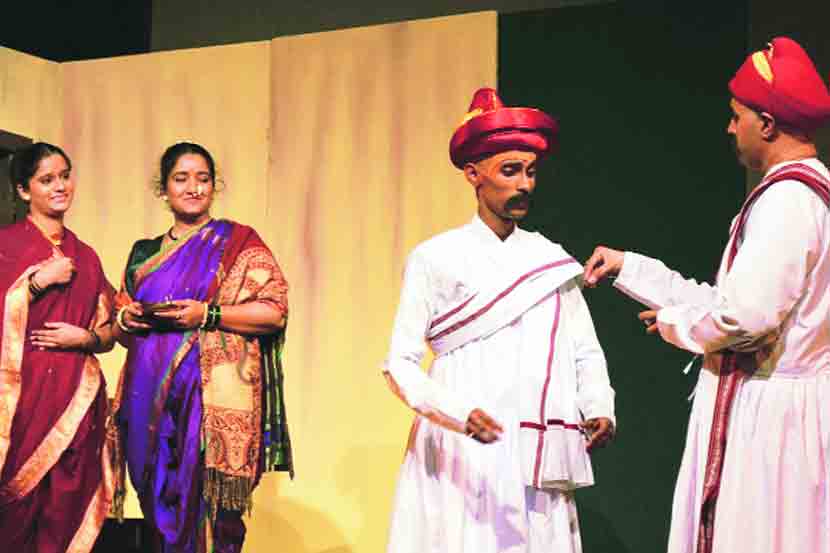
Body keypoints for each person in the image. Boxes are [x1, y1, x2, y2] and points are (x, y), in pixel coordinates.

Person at [583, 37, 830, 553]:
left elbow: (743, 319)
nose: (730, 128)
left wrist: (674, 325)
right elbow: (730, 302)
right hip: (784, 405)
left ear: (767, 123)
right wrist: (633, 269)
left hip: (773, 417)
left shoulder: (788, 200)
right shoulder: (807, 193)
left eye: (737, 116)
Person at [383, 88, 616, 553]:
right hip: (463, 444)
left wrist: (598, 406)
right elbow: (400, 364)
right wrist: (457, 413)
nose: (524, 184)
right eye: (510, 171)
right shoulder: (436, 257)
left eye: (531, 172)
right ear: (474, 174)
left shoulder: (550, 260)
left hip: (536, 441)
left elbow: (584, 350)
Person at [110, 142, 293, 553]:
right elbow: (119, 325)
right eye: (181, 179)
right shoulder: (144, 253)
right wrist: (127, 319)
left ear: (214, 185)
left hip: (208, 397)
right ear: (164, 188)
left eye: (203, 178)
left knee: (206, 506)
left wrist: (207, 314)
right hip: (147, 393)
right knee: (156, 500)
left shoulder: (238, 242)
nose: (193, 188)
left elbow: (273, 312)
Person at [0, 142, 116, 553]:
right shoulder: (6, 246)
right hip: (20, 403)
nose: (60, 186)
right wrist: (34, 284)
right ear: (23, 190)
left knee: (64, 512)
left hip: (77, 400)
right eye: (46, 179)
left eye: (65, 176)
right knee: (16, 510)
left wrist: (85, 339)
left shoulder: (86, 256)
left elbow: (110, 329)